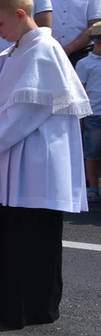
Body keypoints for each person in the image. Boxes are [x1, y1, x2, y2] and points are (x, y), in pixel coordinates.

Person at [0, 0, 89, 329]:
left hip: (34, 157)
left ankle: (25, 305)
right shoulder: (15, 51)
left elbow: (28, 109)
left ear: (20, 14)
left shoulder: (43, 49)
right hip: (10, 150)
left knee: (27, 232)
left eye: (0, 25)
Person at [76, 23, 101, 204]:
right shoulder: (85, 63)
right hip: (94, 115)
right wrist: (80, 117)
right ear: (96, 42)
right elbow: (80, 92)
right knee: (91, 153)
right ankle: (93, 187)